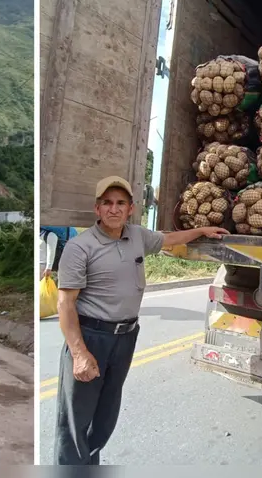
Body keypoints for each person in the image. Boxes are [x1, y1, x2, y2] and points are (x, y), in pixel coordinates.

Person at [53, 176, 229, 465]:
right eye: (107, 203)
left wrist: (202, 230)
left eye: (120, 203)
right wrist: (79, 353)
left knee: (106, 414)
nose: (114, 209)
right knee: (76, 419)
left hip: (124, 338)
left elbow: (169, 239)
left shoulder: (136, 236)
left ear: (130, 208)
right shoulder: (79, 247)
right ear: (97, 209)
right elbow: (65, 303)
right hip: (91, 337)